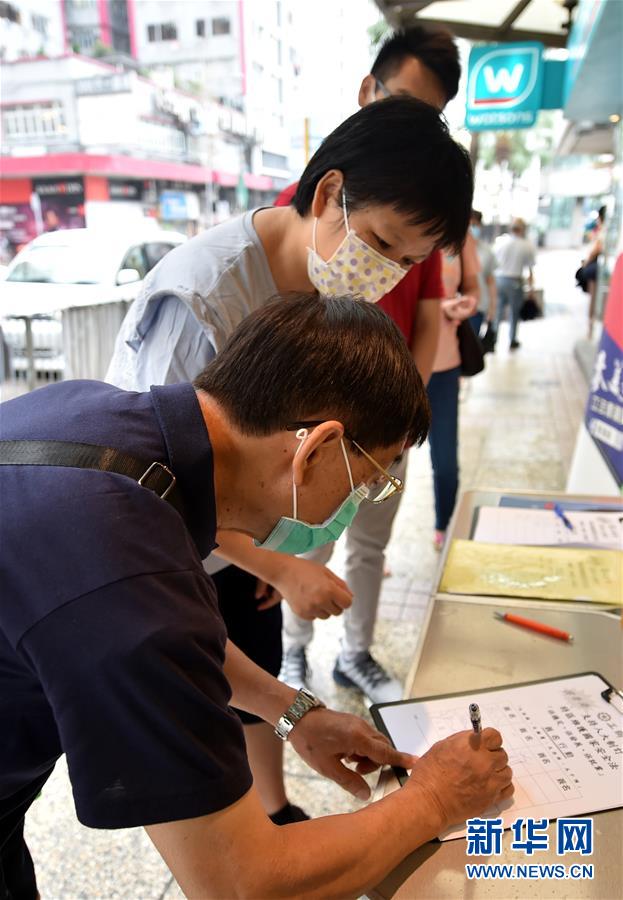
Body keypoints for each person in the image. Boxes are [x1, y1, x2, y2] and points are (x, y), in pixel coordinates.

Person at [1, 295, 513, 900]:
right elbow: (241, 883)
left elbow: (163, 633)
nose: (357, 504)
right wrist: (435, 797)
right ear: (314, 449)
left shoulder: (91, 416)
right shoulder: (127, 580)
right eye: (369, 483)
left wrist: (294, 713)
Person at [106, 95, 473, 822]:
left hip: (232, 547)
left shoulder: (321, 288)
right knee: (194, 715)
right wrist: (274, 560)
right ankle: (244, 819)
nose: (391, 273)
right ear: (331, 192)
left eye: (409, 261)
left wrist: (276, 546)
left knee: (254, 671)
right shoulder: (203, 296)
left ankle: (268, 808)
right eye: (382, 242)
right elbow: (145, 491)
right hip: (167, 551)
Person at [280, 23, 463, 704]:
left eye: (430, 116)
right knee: (308, 546)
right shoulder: (315, 200)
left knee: (370, 546)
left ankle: (355, 654)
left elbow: (425, 315)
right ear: (368, 89)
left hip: (387, 424)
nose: (414, 126)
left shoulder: (424, 217)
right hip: (316, 429)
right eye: (403, 103)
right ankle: (293, 656)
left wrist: (398, 417)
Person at [429, 233, 480, 551]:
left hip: (445, 364)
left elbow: (473, 286)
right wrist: (438, 308)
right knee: (387, 461)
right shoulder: (396, 220)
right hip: (397, 361)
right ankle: (372, 544)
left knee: (446, 458)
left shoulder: (460, 238)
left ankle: (443, 525)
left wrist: (466, 303)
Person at [494, 218, 536, 350]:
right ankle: (512, 340)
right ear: (523, 229)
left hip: (499, 280)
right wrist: (531, 289)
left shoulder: (500, 241)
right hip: (514, 281)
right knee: (514, 312)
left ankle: (493, 338)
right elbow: (530, 269)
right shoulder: (526, 245)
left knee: (498, 311)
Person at [576, 205, 606, 338]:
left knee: (593, 297)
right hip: (596, 267)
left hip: (595, 267)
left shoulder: (604, 230)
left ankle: (591, 322)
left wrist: (586, 263)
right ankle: (591, 322)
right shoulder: (602, 230)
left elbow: (596, 249)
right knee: (594, 296)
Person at [468, 209, 497, 339]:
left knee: (472, 346)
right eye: (468, 225)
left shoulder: (486, 251)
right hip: (454, 306)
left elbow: (490, 281)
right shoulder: (451, 249)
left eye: (474, 225)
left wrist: (492, 308)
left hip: (478, 308)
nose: (471, 229)